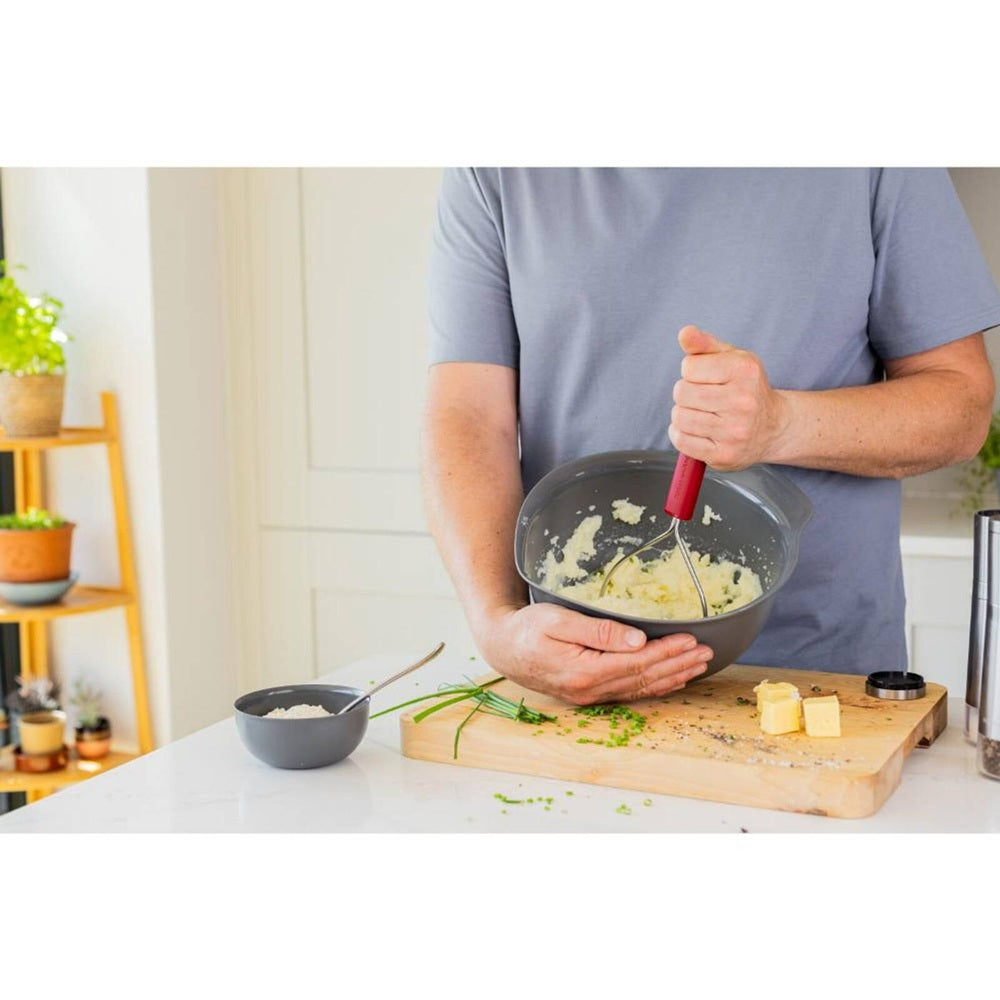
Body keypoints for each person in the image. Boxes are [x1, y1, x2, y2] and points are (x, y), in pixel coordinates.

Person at [423, 168, 1000, 705]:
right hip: (576, 670)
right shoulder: (494, 166)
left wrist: (782, 425)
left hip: (817, 685)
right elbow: (469, 416)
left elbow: (961, 407)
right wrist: (497, 622)